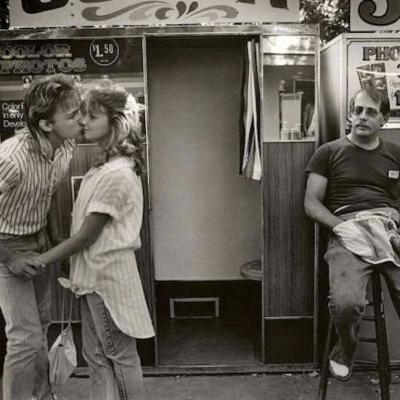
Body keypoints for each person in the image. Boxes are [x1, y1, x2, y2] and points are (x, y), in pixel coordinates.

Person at [35, 80, 155, 400]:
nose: (83, 121)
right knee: (97, 357)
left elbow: (87, 235)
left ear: (116, 123)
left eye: (93, 115)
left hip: (106, 277)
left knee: (117, 356)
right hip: (95, 276)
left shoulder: (117, 172)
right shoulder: (104, 166)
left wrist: (41, 260)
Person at [304, 87, 400, 381]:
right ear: (349, 114)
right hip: (346, 229)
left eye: (371, 112)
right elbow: (311, 202)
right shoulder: (329, 152)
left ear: (384, 118)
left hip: (388, 228)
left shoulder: (395, 154)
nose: (362, 117)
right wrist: (340, 227)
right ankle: (346, 347)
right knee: (345, 304)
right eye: (357, 110)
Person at [0, 74, 82, 400]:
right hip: (7, 247)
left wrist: (56, 245)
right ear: (47, 124)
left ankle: (42, 395)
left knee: (42, 325)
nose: (81, 117)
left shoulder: (66, 147)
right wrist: (10, 258)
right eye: (72, 114)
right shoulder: (11, 158)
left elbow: (45, 196)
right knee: (24, 338)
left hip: (38, 242)